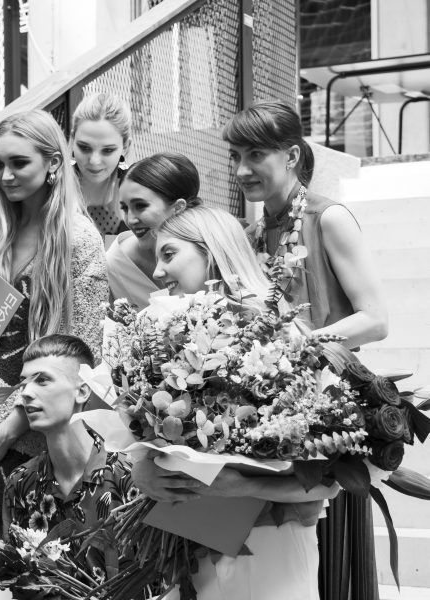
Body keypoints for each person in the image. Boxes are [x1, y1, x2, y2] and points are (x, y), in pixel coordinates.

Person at [223, 102, 388, 600]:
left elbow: (376, 320)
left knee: (330, 564)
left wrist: (297, 346)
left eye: (255, 155)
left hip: (329, 411)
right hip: (274, 414)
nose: (242, 170)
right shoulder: (251, 235)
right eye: (236, 156)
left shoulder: (327, 218)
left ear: (292, 155)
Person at [141, 205, 340, 600]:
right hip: (191, 544)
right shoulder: (162, 342)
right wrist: (142, 472)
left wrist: (242, 485)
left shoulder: (287, 339)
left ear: (212, 252)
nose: (157, 272)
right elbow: (143, 436)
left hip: (271, 548)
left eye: (169, 254)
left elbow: (329, 482)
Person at [0, 109, 109, 531]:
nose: (5, 175)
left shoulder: (79, 240)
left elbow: (80, 355)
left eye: (19, 163)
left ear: (53, 163)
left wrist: (7, 433)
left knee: (4, 550)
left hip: (31, 431)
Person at [1, 334, 135, 548]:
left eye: (42, 380)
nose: (25, 393)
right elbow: (11, 564)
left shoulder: (131, 475)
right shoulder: (19, 483)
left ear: (82, 391)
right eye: (23, 383)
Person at [105, 152, 201, 307]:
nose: (130, 220)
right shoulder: (114, 266)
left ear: (178, 207)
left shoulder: (211, 249)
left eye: (140, 206)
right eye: (125, 208)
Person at [69, 92, 133, 236]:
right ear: (72, 139)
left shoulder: (139, 188)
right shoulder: (53, 186)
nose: (94, 161)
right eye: (84, 148)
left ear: (125, 146)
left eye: (107, 150)